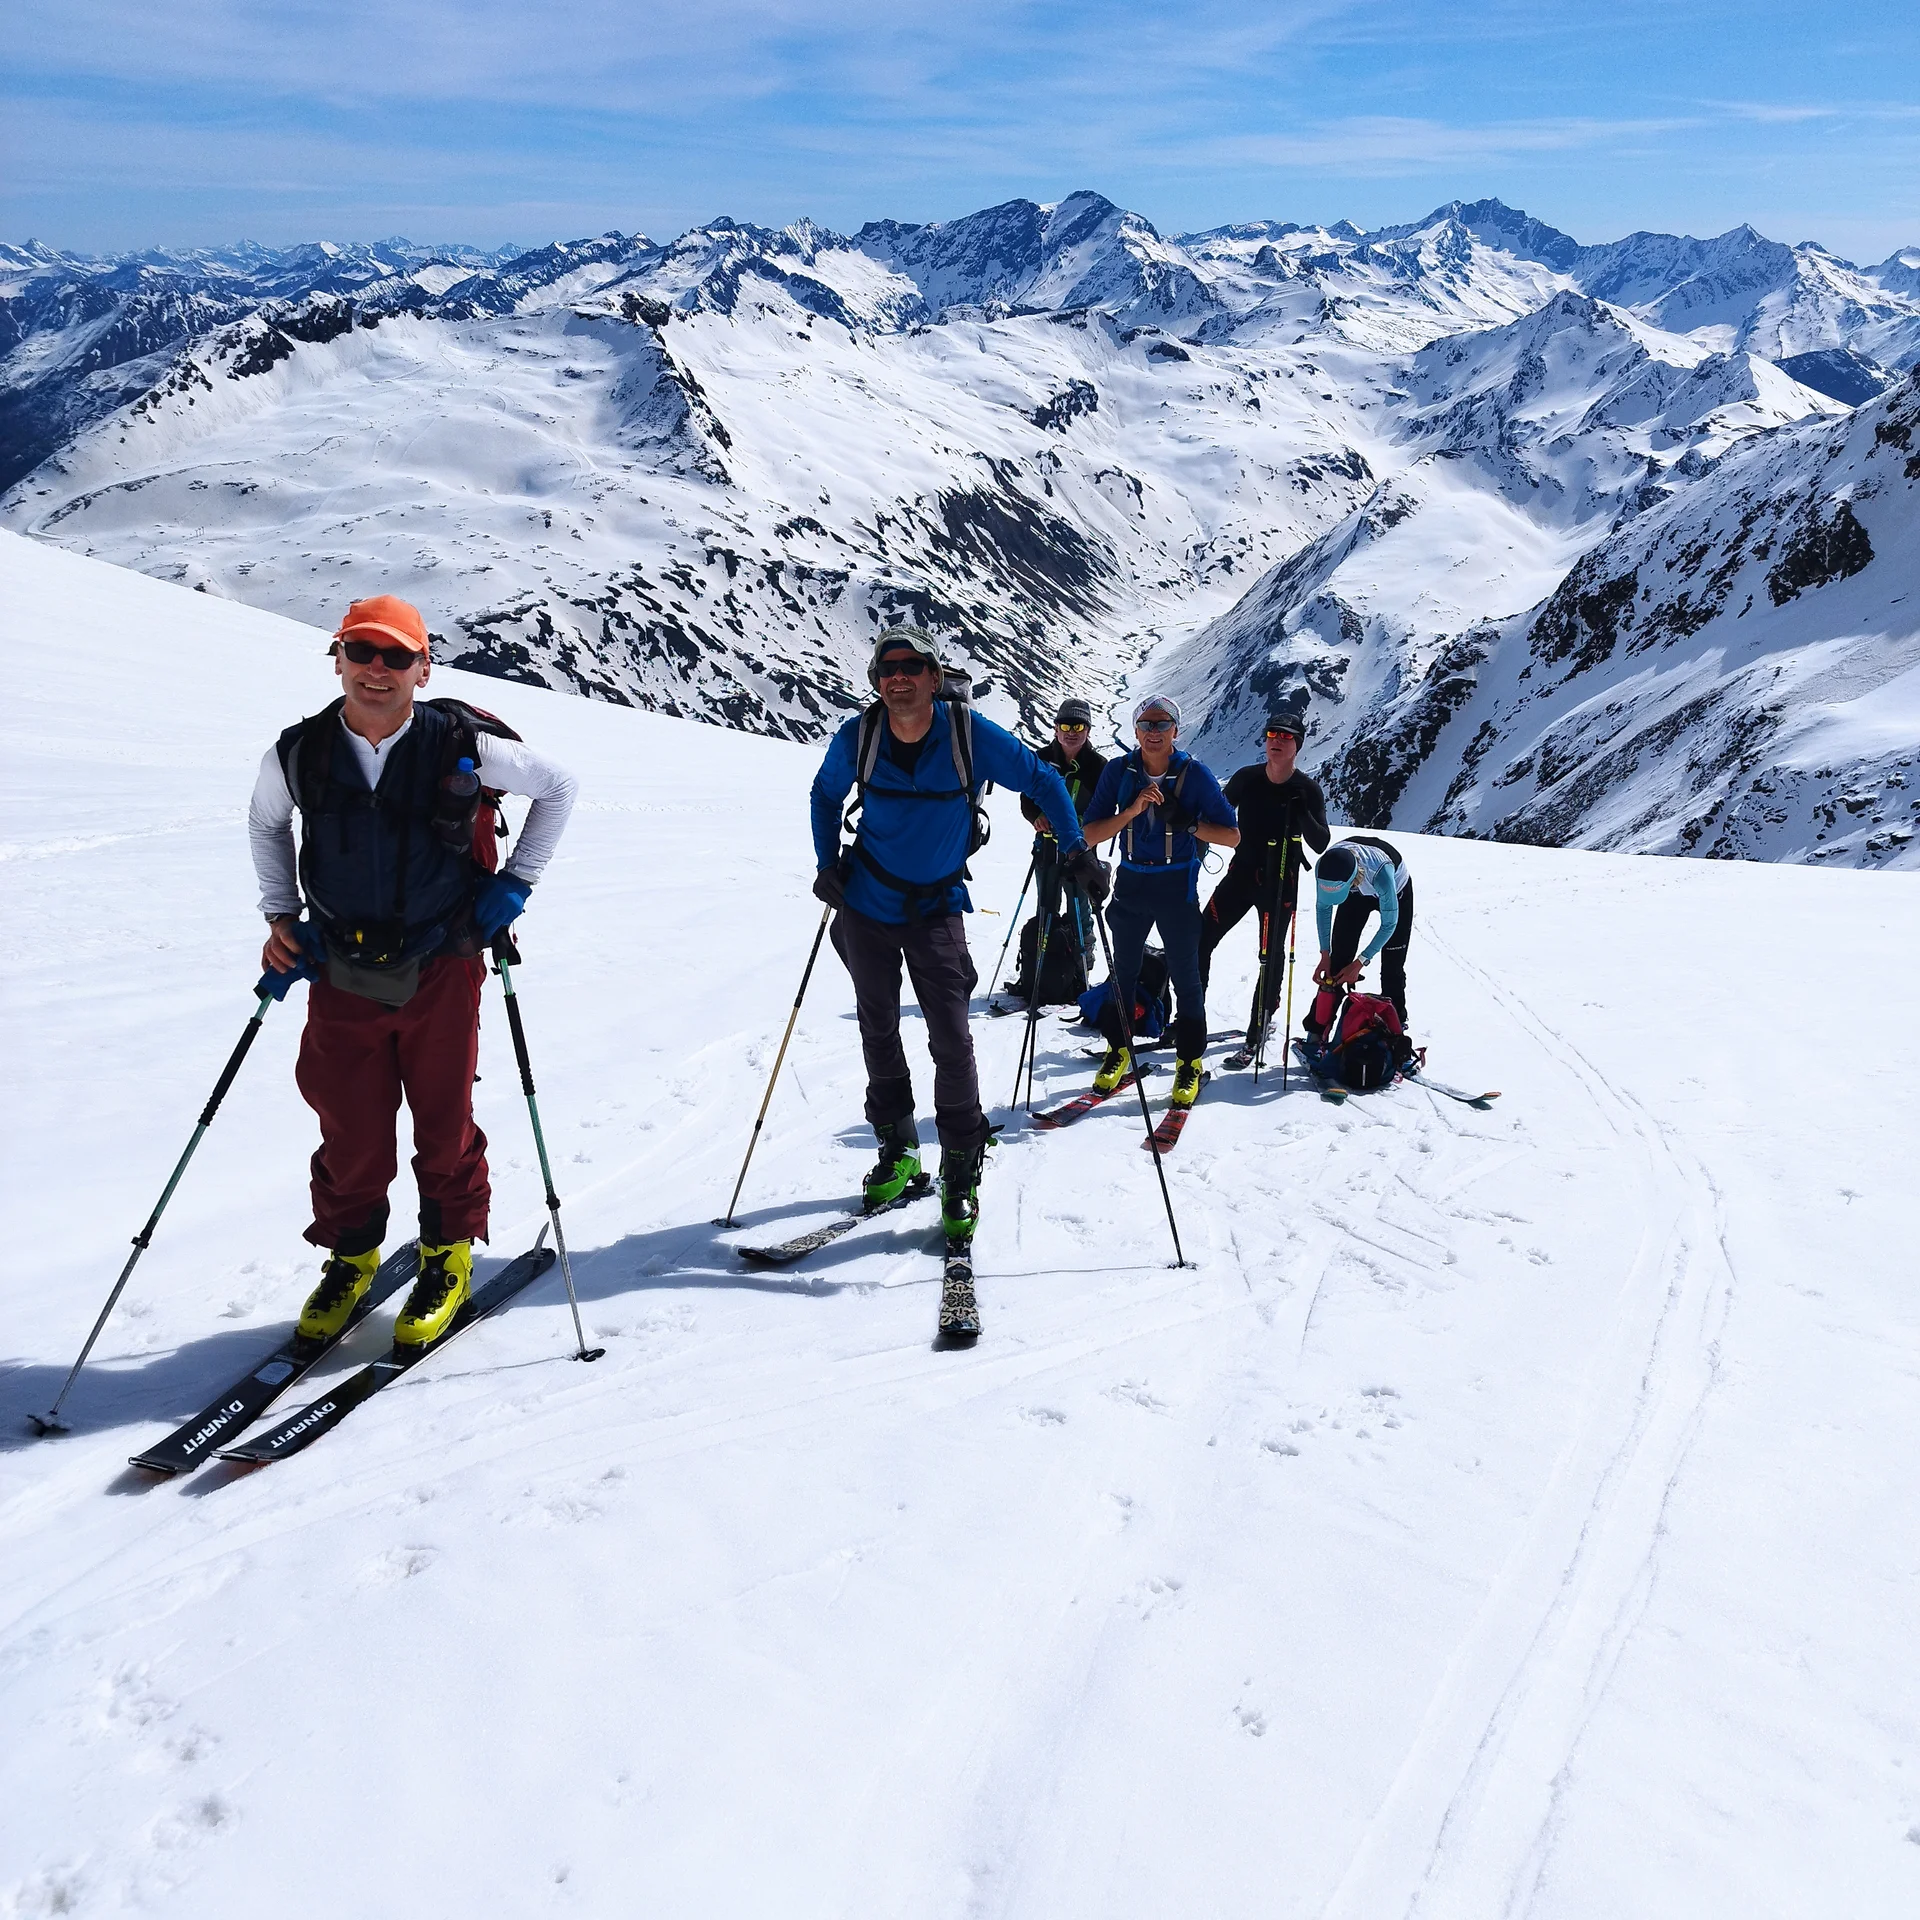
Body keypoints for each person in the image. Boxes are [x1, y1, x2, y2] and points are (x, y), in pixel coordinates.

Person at [251, 594, 578, 1349]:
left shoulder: (460, 743)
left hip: (442, 959)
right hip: (339, 963)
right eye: (361, 652)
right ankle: (352, 1257)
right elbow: (266, 823)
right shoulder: (298, 753)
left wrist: (517, 882)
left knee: (442, 1115)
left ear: (423, 668)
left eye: (396, 656)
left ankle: (446, 1255)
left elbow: (559, 787)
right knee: (349, 1123)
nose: (376, 670)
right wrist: (279, 917)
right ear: (336, 657)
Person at [809, 628, 1105, 1242]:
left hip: (937, 907)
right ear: (875, 678)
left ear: (932, 675)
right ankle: (899, 1153)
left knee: (951, 1038)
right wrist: (826, 863)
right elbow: (824, 793)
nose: (899, 677)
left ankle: (961, 1167)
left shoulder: (968, 733)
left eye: (911, 666)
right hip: (866, 903)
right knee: (878, 1028)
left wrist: (1076, 850)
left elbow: (1045, 782)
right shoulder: (860, 736)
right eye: (887, 667)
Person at [1081, 695, 1239, 1109]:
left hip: (1176, 887)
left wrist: (1188, 823)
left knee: (1187, 977)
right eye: (1146, 724)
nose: (1154, 732)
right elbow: (1092, 833)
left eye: (1162, 724)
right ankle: (1119, 1049)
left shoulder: (1195, 775)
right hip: (1132, 883)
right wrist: (1131, 811)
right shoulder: (1119, 772)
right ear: (1135, 731)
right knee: (1124, 973)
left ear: (1175, 731)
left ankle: (1189, 1060)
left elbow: (1232, 836)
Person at [1199, 702, 1330, 1066]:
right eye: (1273, 733)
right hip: (1241, 876)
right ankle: (1190, 1017)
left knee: (1269, 958)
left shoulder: (1307, 789)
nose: (1277, 741)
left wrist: (1301, 812)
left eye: (1287, 737)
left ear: (1298, 746)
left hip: (1280, 885)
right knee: (1200, 938)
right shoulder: (1246, 778)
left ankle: (1259, 1026)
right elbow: (1219, 815)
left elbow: (1321, 842)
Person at [1006, 697, 1109, 1000]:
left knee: (1080, 908)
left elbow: (1105, 807)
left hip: (1082, 850)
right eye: (1065, 725)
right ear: (1055, 727)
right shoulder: (1041, 759)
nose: (1071, 732)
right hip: (1047, 848)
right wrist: (1035, 816)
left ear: (1088, 729)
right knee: (1046, 906)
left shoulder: (1098, 767)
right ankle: (1045, 969)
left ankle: (1081, 970)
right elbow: (1027, 796)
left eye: (1078, 725)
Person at [1307, 835, 1414, 1036]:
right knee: (1337, 965)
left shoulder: (1382, 875)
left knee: (1392, 967)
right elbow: (1323, 909)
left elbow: (1389, 925)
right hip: (1355, 892)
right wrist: (1324, 955)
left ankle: (1395, 1031)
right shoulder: (1326, 867)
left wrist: (1359, 963)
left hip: (1396, 891)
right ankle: (1317, 1030)